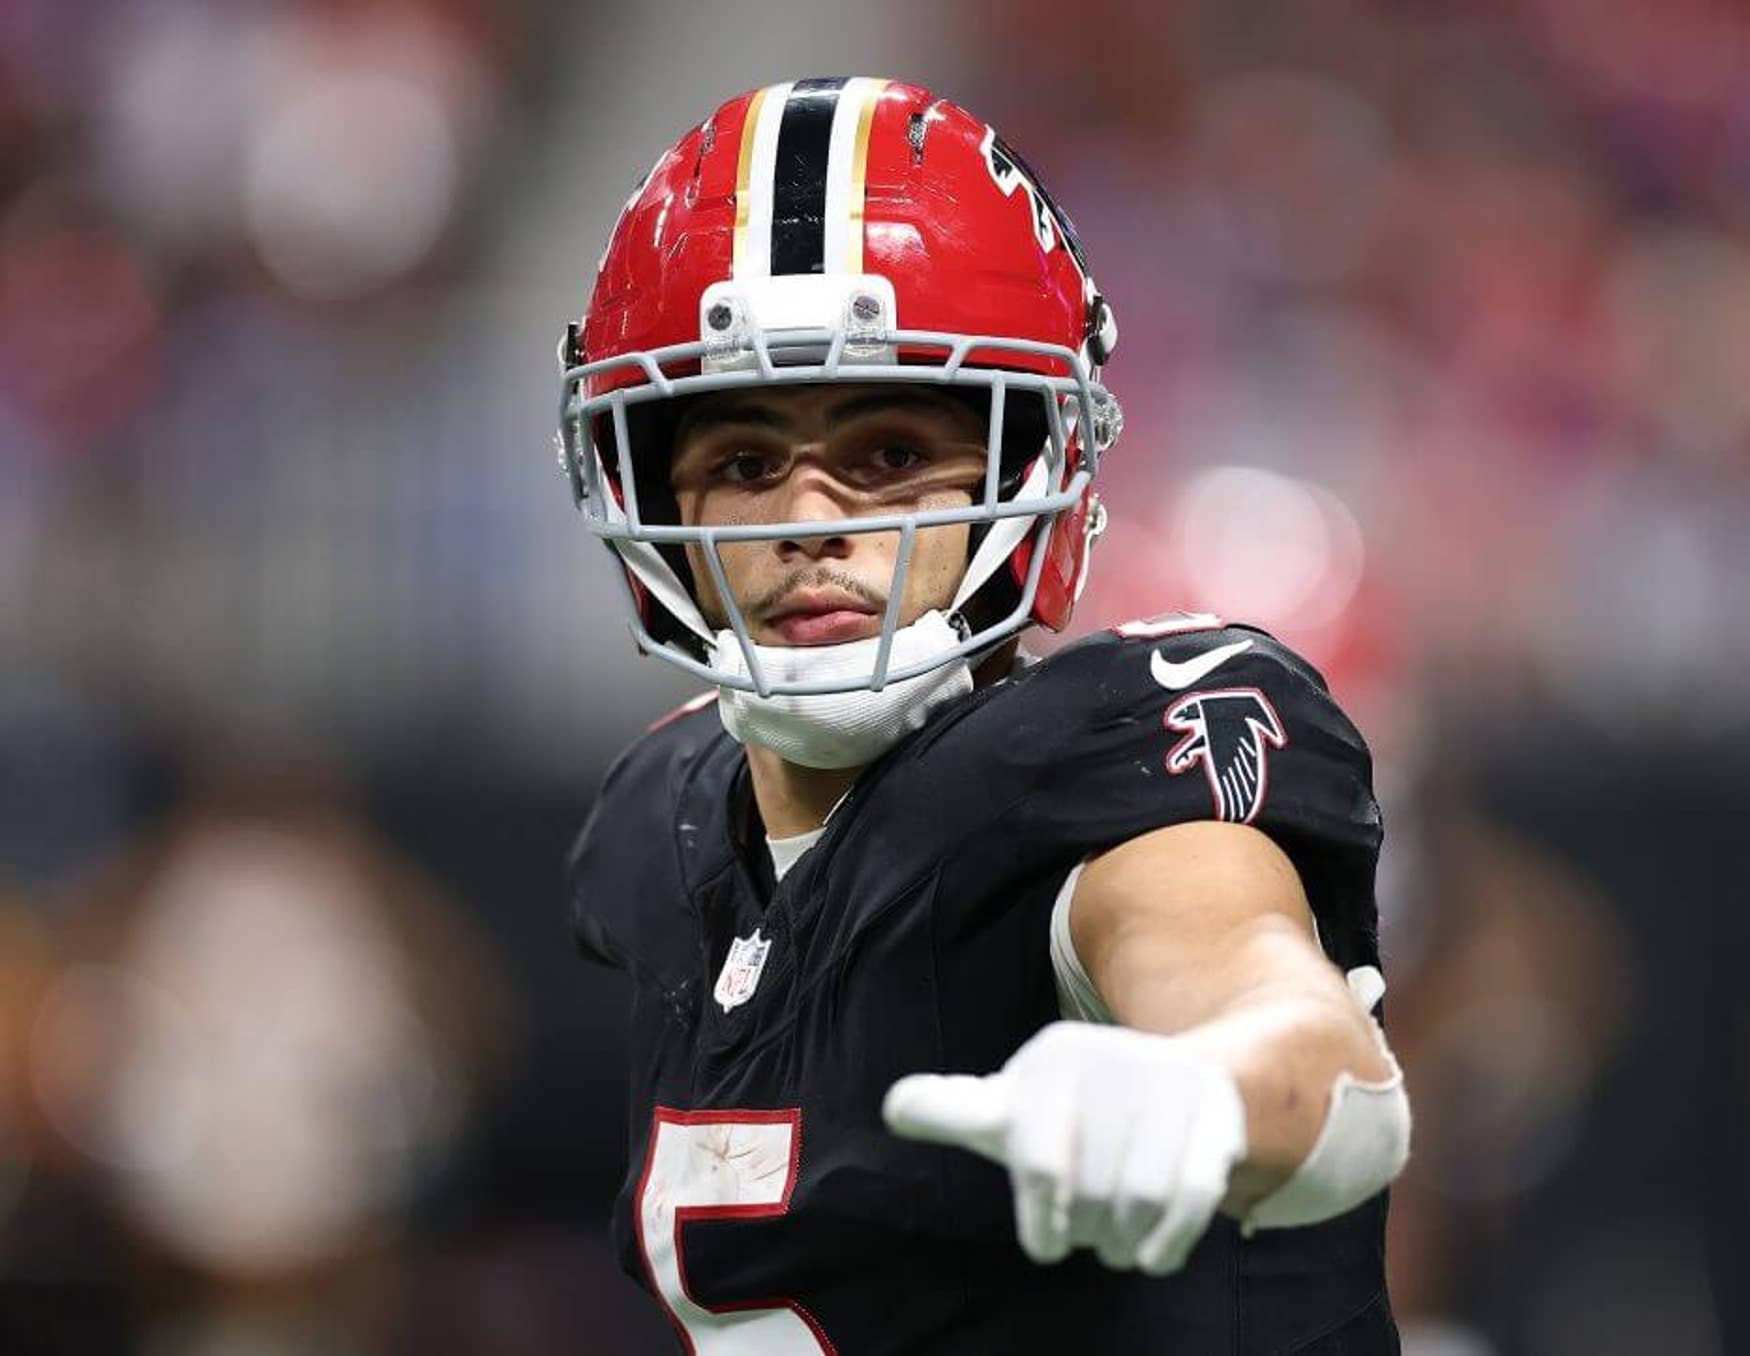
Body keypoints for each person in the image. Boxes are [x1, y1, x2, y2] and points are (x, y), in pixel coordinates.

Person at [556, 76, 1410, 1354]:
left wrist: (1192, 1093)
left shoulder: (1095, 766)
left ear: (1032, 467)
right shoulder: (658, 825)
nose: (809, 524)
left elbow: (1294, 1029)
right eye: (742, 465)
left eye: (891, 455)